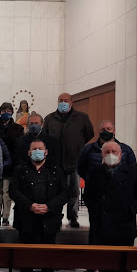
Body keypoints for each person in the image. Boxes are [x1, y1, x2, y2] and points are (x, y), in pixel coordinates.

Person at [83, 141, 137, 247]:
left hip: (124, 227)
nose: (110, 154)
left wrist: (130, 210)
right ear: (102, 155)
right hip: (100, 227)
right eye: (107, 152)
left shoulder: (134, 172)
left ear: (120, 154)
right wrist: (96, 211)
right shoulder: (94, 173)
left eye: (114, 151)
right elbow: (87, 196)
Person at [43, 93, 94, 228]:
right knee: (56, 191)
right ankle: (56, 216)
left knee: (74, 191)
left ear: (71, 102)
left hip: (74, 160)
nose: (63, 102)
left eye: (66, 100)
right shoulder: (50, 118)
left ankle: (73, 217)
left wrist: (77, 145)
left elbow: (90, 133)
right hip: (55, 162)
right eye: (61, 100)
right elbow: (44, 137)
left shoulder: (82, 117)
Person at [10, 139, 69, 248]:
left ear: (46, 152)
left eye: (40, 149)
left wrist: (49, 206)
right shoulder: (19, 170)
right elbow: (13, 191)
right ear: (29, 152)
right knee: (26, 255)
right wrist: (30, 205)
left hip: (50, 221)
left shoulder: (56, 171)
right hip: (26, 222)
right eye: (34, 149)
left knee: (47, 255)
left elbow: (64, 193)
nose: (37, 151)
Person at [0, 103, 25, 226]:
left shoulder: (18, 128)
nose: (6, 113)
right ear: (0, 112)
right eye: (3, 111)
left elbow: (19, 147)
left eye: (8, 110)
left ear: (12, 112)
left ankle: (6, 216)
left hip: (11, 165)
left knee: (6, 192)